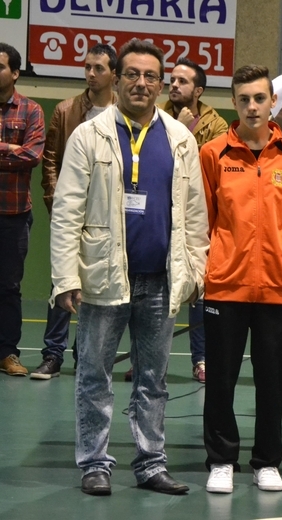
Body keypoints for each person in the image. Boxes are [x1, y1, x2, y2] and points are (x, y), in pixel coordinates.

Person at [50, 38, 208, 496]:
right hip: (102, 278)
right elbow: (67, 211)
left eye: (151, 76)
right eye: (133, 74)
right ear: (117, 81)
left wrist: (195, 271)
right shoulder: (88, 134)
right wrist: (65, 277)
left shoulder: (181, 139)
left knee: (153, 378)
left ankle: (151, 463)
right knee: (94, 375)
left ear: (161, 84)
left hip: (160, 280)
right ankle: (94, 463)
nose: (142, 83)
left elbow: (195, 214)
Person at [201, 65, 282, 495]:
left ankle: (267, 461)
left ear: (272, 101)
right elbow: (204, 220)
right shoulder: (213, 154)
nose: (252, 106)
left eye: (260, 98)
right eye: (244, 99)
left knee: (272, 381)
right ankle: (221, 459)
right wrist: (211, 268)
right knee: (220, 379)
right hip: (226, 285)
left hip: (279, 289)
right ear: (234, 102)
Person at [33, 43, 117, 380]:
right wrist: (58, 205)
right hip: (71, 211)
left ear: (114, 74)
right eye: (87, 67)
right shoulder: (66, 110)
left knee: (97, 290)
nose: (91, 74)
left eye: (99, 68)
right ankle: (52, 354)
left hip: (106, 215)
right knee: (62, 282)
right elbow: (50, 161)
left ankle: (86, 357)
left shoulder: (121, 113)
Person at [160, 56, 229, 384]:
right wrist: (179, 127)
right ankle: (151, 358)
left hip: (197, 216)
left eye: (182, 81)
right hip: (161, 213)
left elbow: (206, 171)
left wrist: (182, 131)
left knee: (198, 292)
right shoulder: (155, 115)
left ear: (198, 90)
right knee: (158, 292)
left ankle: (201, 359)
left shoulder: (217, 125)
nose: (174, 85)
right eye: (172, 79)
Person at [0, 43, 45, 377]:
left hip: (14, 214)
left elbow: (32, 156)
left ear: (15, 73)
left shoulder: (31, 110)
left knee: (9, 287)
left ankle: (7, 353)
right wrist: (9, 148)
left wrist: (13, 151)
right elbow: (20, 154)